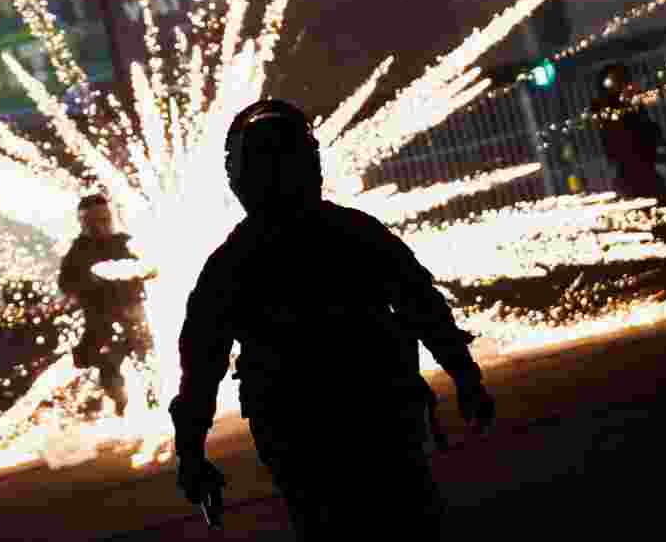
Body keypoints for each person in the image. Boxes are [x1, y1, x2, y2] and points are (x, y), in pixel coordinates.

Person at [169, 99, 496, 538]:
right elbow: (424, 308)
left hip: (304, 431)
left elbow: (201, 366)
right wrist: (465, 377)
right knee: (409, 519)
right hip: (376, 415)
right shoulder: (355, 233)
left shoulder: (232, 262)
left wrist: (191, 453)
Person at [58, 194, 152, 417]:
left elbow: (150, 266)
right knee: (111, 375)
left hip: (135, 319)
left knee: (149, 367)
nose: (101, 227)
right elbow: (66, 284)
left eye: (105, 220)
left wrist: (147, 271)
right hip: (103, 325)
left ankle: (154, 405)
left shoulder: (125, 242)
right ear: (83, 224)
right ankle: (122, 409)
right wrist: (90, 280)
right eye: (94, 222)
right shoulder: (77, 253)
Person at [591, 62, 666, 204]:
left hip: (642, 172)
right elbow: (624, 144)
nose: (623, 85)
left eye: (623, 80)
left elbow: (648, 128)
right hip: (631, 174)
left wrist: (661, 148)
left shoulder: (631, 105)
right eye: (617, 81)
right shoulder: (607, 110)